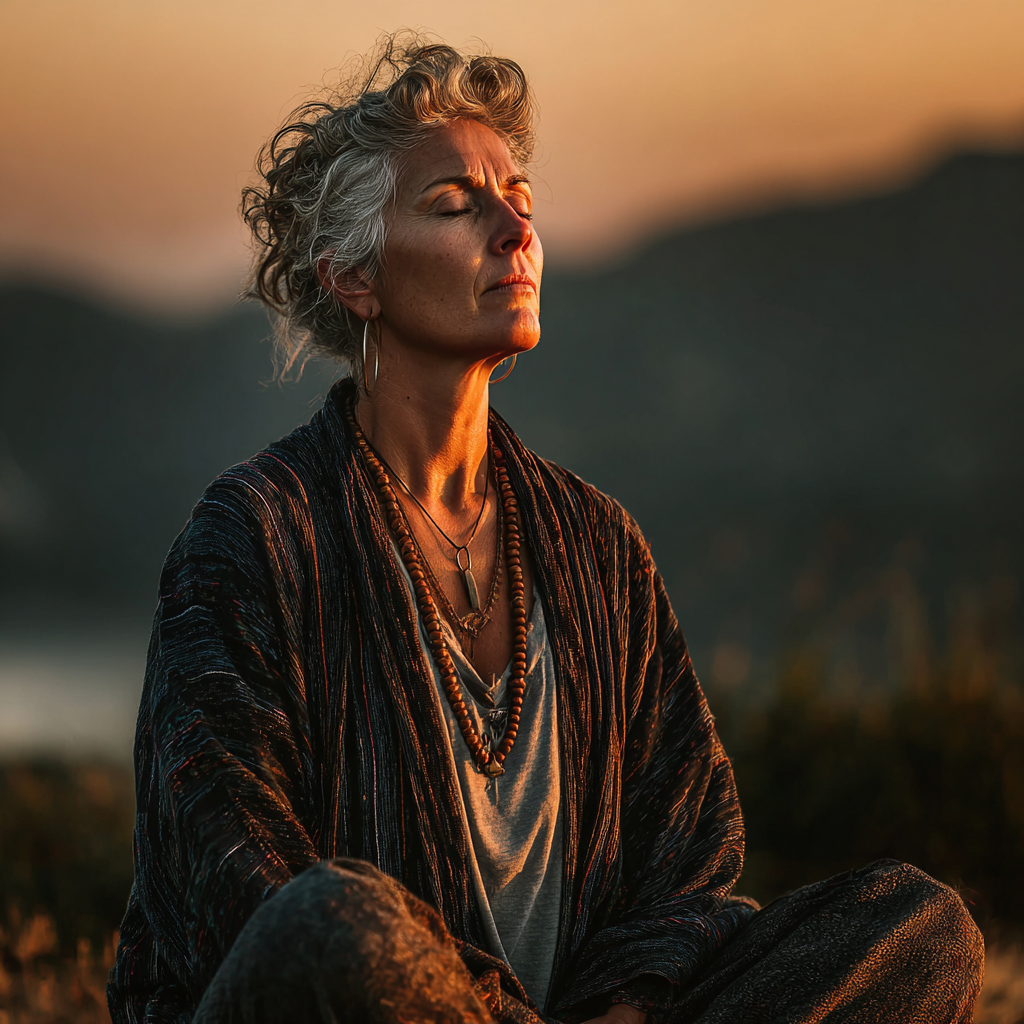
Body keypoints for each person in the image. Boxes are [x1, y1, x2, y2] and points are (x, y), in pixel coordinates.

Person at [107, 37, 984, 1024]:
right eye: (454, 205)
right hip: (367, 1002)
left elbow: (686, 861)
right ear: (354, 280)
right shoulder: (256, 535)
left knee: (914, 925)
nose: (513, 226)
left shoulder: (597, 546)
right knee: (332, 925)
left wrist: (618, 1010)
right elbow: (228, 868)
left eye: (519, 195)